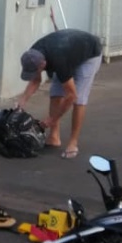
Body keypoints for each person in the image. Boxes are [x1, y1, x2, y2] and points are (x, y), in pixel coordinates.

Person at [15, 29, 103, 160]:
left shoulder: (59, 61)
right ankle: (54, 137)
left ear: (43, 64)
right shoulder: (33, 54)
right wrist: (22, 101)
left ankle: (73, 143)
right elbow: (36, 80)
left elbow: (71, 96)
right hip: (69, 51)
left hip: (90, 53)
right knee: (55, 92)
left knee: (79, 98)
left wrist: (52, 119)